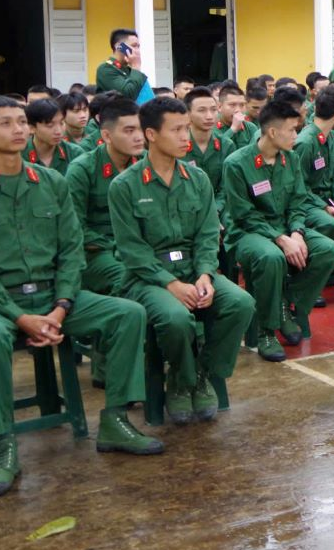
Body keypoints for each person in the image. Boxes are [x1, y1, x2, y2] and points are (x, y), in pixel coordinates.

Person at [0, 98, 162, 498]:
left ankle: (115, 420)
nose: (18, 129)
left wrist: (61, 306)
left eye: (22, 122)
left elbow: (71, 250)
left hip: (54, 297)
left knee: (128, 313)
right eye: (6, 123)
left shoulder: (51, 182)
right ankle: (3, 445)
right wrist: (19, 317)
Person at [109, 97, 255, 426]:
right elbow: (132, 250)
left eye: (186, 129)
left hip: (193, 268)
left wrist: (205, 274)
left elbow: (207, 234)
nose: (184, 137)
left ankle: (200, 373)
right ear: (151, 134)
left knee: (240, 303)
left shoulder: (197, 179)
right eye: (175, 130)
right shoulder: (125, 186)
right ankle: (180, 376)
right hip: (148, 278)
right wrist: (171, 284)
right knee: (175, 317)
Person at [222, 99, 334, 359]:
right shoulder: (236, 163)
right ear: (273, 132)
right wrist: (281, 239)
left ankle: (285, 302)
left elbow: (298, 200)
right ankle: (266, 330)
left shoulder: (291, 158)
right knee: (271, 257)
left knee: (330, 251)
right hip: (248, 233)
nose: (296, 136)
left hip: (286, 227)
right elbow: (243, 214)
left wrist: (296, 232)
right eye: (292, 130)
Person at [67, 99, 145, 298]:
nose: (139, 137)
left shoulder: (147, 162)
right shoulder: (83, 169)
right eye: (129, 131)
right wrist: (115, 246)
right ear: (107, 136)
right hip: (98, 251)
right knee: (128, 279)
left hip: (141, 246)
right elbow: (75, 227)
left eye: (140, 129)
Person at [294, 86, 334, 248]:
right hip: (308, 201)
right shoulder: (305, 142)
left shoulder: (333, 137)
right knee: (329, 223)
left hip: (330, 199)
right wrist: (324, 206)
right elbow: (299, 186)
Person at [23, 99, 79, 172]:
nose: (58, 131)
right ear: (32, 128)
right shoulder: (19, 155)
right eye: (50, 125)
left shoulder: (75, 153)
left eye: (62, 123)